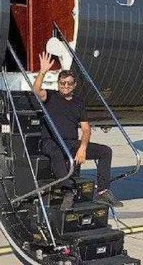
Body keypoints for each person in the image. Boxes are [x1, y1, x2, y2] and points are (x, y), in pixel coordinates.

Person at [34, 51, 124, 211]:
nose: (65, 86)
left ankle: (103, 191)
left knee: (105, 151)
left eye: (69, 83)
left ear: (74, 85)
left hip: (71, 143)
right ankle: (68, 190)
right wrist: (42, 72)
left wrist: (82, 148)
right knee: (56, 153)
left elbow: (86, 129)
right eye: (62, 83)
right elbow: (36, 90)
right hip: (51, 142)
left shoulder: (78, 103)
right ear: (58, 84)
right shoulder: (51, 97)